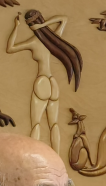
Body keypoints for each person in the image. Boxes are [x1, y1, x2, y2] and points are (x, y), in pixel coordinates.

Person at [7, 9, 83, 154]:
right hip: (52, 82)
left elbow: (11, 48)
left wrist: (16, 27)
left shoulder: (33, 42)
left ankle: (32, 157)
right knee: (54, 124)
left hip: (42, 81)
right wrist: (43, 25)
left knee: (36, 123)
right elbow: (63, 18)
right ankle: (57, 158)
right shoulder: (53, 38)